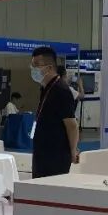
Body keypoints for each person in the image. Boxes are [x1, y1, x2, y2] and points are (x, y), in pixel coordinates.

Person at [30, 46, 79, 179]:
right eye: (32, 65)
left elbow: (72, 125)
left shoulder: (61, 90)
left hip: (55, 156)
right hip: (42, 152)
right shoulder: (45, 88)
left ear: (49, 67)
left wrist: (73, 150)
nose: (33, 69)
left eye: (36, 65)